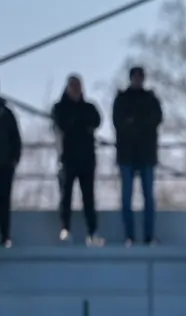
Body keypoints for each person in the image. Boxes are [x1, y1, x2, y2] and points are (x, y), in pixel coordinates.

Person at [112, 66, 163, 245]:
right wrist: (141, 124)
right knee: (127, 198)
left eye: (141, 77)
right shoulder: (122, 99)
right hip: (127, 155)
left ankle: (148, 236)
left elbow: (157, 119)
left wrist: (135, 122)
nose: (138, 80)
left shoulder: (150, 99)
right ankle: (129, 236)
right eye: (136, 77)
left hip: (146, 155)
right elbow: (119, 122)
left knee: (148, 197)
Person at [52, 75, 102, 245]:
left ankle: (92, 232)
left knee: (89, 197)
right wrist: (79, 123)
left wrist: (77, 123)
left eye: (79, 86)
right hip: (68, 159)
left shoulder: (89, 107)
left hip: (87, 159)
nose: (76, 90)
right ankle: (65, 228)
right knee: (66, 196)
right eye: (73, 86)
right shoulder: (59, 108)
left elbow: (96, 120)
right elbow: (63, 124)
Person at [0, 91, 20, 248]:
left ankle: (5, 235)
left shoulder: (6, 114)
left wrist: (14, 158)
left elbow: (15, 137)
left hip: (5, 164)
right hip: (6, 162)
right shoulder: (6, 113)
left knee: (4, 201)